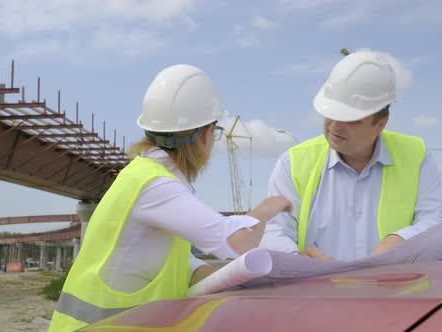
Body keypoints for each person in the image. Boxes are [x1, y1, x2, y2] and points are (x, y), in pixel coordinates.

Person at [49, 64, 291, 331]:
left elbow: (168, 261)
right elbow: (235, 242)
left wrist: (223, 279)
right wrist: (267, 209)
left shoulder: (143, 176)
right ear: (205, 134)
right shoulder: (156, 186)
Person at [260, 51, 442, 261]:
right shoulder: (292, 164)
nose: (335, 126)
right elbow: (274, 231)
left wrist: (402, 239)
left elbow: (441, 223)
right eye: (331, 112)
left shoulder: (416, 156)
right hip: (319, 292)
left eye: (350, 118)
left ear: (381, 123)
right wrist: (295, 259)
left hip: (396, 292)